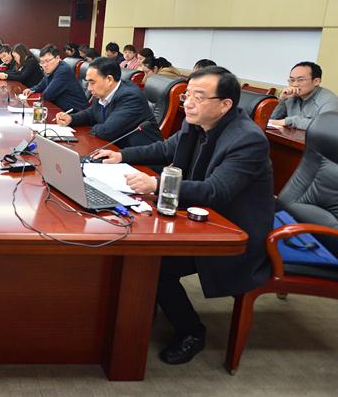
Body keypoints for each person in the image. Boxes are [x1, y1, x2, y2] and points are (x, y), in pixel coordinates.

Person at [92, 66, 274, 365]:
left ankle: (191, 331)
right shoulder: (197, 123)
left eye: (198, 97)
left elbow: (216, 191)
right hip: (198, 216)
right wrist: (122, 155)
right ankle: (139, 308)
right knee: (136, 245)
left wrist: (157, 184)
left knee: (153, 263)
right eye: (187, 95)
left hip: (233, 231)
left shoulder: (247, 140)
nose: (187, 103)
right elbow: (165, 148)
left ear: (225, 104)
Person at [55, 57, 162, 148]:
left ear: (109, 79)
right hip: (114, 149)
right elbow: (92, 113)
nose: (89, 88)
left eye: (92, 82)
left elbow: (107, 131)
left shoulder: (131, 97)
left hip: (141, 159)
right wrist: (72, 118)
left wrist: (93, 128)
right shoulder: (102, 91)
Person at [269, 61, 338, 130]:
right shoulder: (290, 95)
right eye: (292, 80)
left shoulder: (329, 101)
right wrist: (282, 100)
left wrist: (289, 121)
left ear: (316, 81)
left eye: (300, 80)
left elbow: (326, 126)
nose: (294, 84)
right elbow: (271, 119)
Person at [22, 45, 88, 113]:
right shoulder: (52, 68)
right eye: (42, 62)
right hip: (61, 108)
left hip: (75, 112)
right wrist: (32, 90)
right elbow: (43, 84)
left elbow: (47, 95)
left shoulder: (63, 71)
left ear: (57, 58)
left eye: (47, 61)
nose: (45, 65)